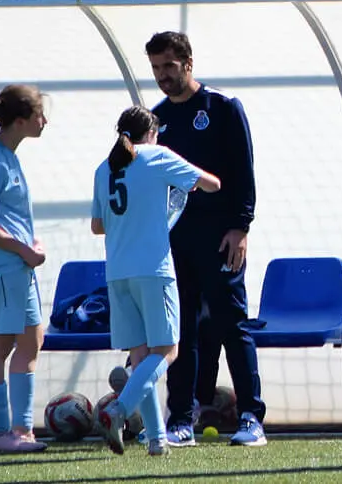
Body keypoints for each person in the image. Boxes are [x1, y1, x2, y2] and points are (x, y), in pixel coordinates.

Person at [146, 31, 266, 447]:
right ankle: (181, 418)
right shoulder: (156, 120)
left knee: (233, 324)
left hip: (220, 238)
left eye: (169, 66)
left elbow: (243, 171)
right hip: (175, 242)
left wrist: (241, 226)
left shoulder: (223, 108)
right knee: (179, 332)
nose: (162, 75)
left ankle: (251, 417)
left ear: (188, 63)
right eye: (156, 68)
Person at [91, 105, 221, 456]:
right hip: (152, 268)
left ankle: (156, 440)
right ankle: (118, 410)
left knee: (141, 354)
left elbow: (97, 225)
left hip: (117, 272)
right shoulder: (156, 155)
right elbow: (212, 184)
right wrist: (176, 198)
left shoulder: (104, 168)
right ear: (151, 133)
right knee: (168, 350)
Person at [0, 85, 50, 454]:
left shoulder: (9, 157)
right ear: (20, 121)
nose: (44, 121)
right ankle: (1, 433)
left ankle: (22, 430)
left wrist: (31, 246)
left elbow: (7, 217)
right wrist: (21, 248)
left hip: (17, 266)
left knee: (31, 341)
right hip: (3, 268)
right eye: (39, 115)